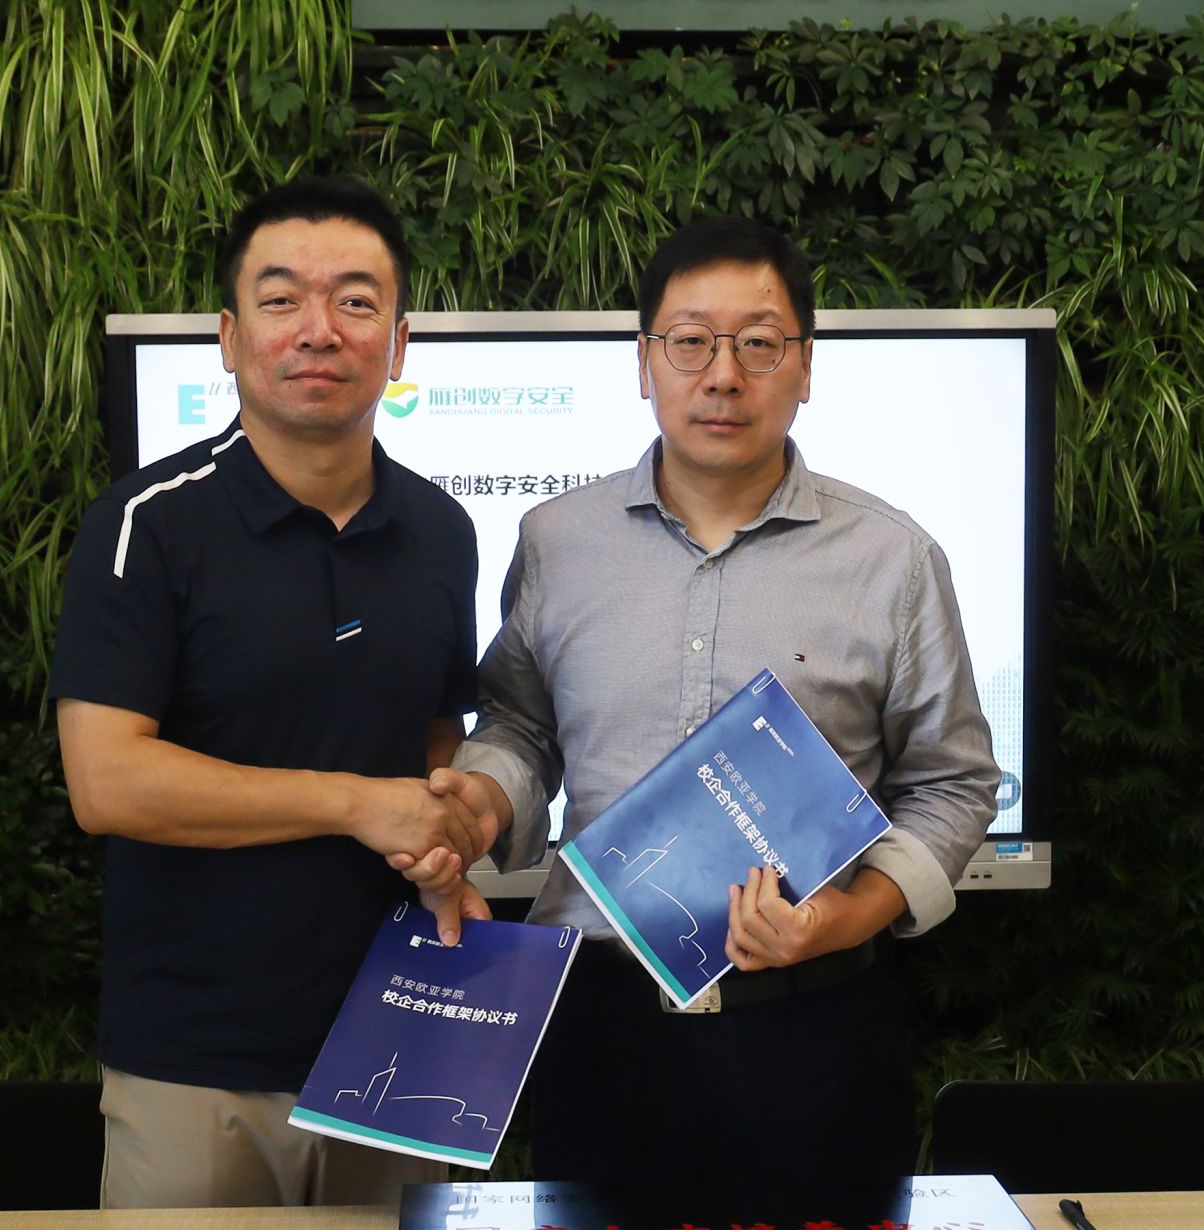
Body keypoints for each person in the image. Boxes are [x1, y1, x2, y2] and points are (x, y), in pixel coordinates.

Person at [426, 216, 1001, 1188]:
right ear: (644, 361)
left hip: (812, 1023)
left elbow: (953, 784)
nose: (723, 375)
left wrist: (846, 916)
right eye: (690, 341)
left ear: (804, 366)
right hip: (598, 1023)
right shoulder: (557, 541)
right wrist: (476, 804)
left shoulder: (892, 559)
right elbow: (521, 728)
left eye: (758, 343)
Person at [49, 175, 508, 1209]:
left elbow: (433, 734)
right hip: (195, 1058)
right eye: (281, 298)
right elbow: (106, 783)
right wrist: (356, 803)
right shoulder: (146, 523)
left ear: (398, 344)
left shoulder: (442, 532)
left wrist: (444, 845)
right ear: (228, 336)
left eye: (355, 301)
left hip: (397, 1036)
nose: (318, 330)